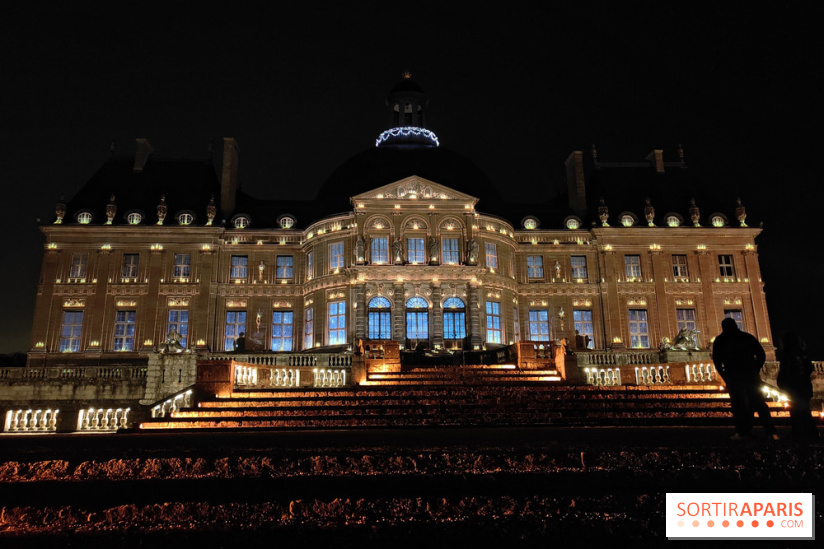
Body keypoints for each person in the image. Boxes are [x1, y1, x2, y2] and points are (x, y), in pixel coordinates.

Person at [712, 318, 778, 441]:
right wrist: (755, 368)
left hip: (734, 376)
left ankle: (743, 432)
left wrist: (724, 375)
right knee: (758, 403)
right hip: (750, 375)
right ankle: (771, 432)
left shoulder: (720, 340)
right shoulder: (747, 337)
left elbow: (716, 361)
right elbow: (761, 354)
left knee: (739, 405)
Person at [777, 332, 819, 440]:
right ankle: (810, 434)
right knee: (804, 410)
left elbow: (786, 372)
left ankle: (801, 435)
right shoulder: (802, 354)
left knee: (798, 411)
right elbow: (808, 369)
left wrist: (782, 383)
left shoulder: (788, 355)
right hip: (804, 387)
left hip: (795, 388)